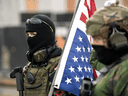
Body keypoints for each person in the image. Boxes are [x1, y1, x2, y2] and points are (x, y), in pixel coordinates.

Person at [85, 1, 128, 96]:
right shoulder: (118, 67)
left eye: (98, 38)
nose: (94, 44)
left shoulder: (125, 72)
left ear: (118, 38)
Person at [23, 14, 65, 96]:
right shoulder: (30, 66)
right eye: (28, 35)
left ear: (46, 36)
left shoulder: (61, 64)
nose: (29, 38)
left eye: (33, 34)